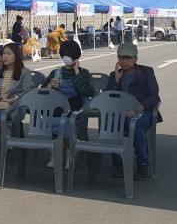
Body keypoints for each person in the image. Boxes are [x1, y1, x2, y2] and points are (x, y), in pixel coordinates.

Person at [105, 42, 160, 181]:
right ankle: (118, 162)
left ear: (136, 58)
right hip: (121, 113)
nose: (124, 61)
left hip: (143, 111)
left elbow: (154, 96)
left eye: (128, 58)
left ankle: (143, 162)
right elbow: (107, 97)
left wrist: (138, 108)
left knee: (134, 124)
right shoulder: (114, 75)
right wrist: (116, 81)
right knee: (111, 123)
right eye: (121, 58)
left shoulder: (146, 72)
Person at [42, 39, 96, 169]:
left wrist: (77, 72)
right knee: (53, 119)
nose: (67, 58)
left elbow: (87, 91)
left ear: (76, 57)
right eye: (65, 55)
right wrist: (50, 86)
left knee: (64, 120)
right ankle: (58, 152)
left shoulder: (83, 72)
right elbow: (42, 91)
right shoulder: (56, 72)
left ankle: (68, 153)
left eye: (70, 56)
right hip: (58, 109)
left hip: (76, 110)